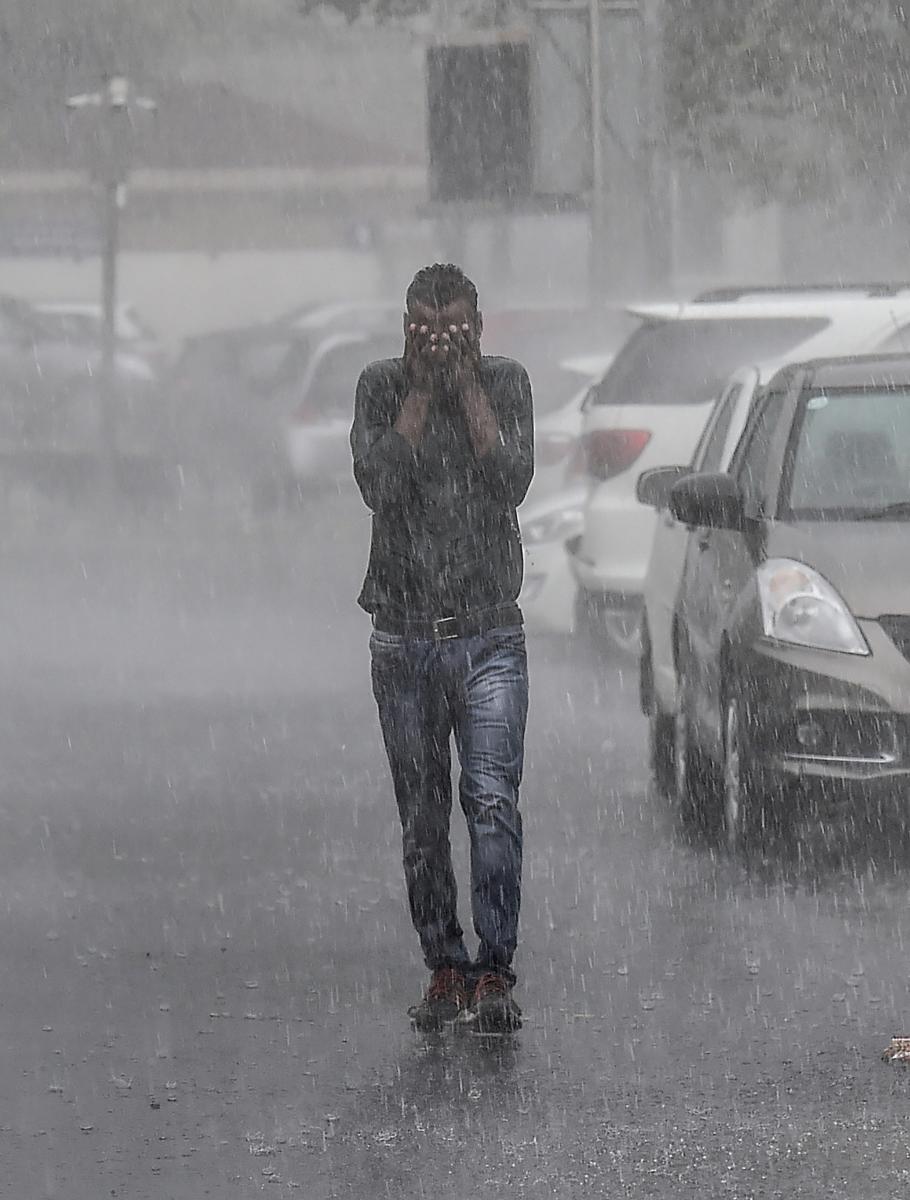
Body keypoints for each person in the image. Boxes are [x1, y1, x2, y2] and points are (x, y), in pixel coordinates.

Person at [350, 263, 534, 1033]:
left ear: (480, 328)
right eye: (425, 329)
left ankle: (494, 969)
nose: (441, 342)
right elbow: (377, 483)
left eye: (455, 328)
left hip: (489, 631)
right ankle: (445, 964)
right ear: (403, 328)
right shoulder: (381, 387)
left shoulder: (507, 383)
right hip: (404, 636)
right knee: (422, 818)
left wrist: (466, 387)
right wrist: (422, 388)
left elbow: (512, 478)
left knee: (490, 802)